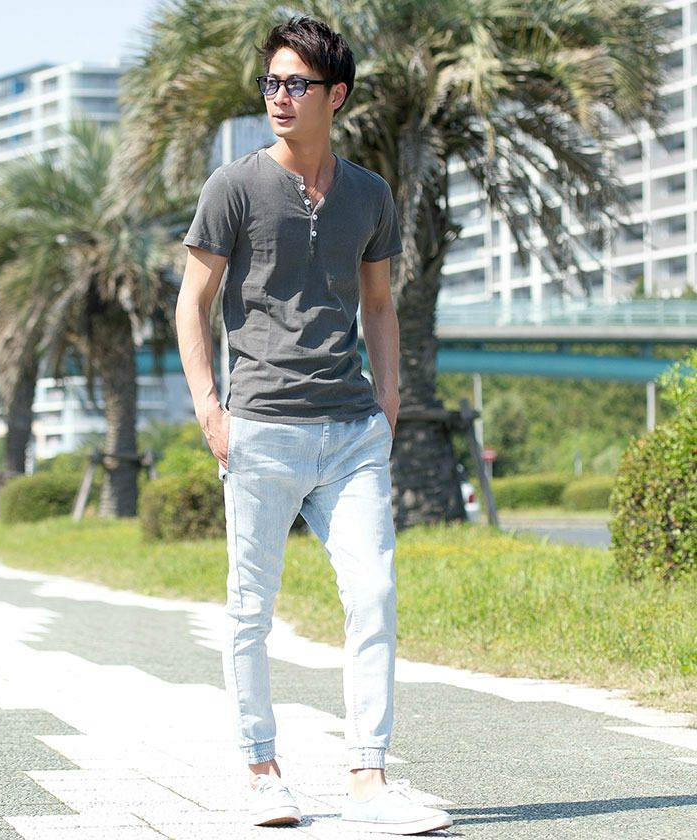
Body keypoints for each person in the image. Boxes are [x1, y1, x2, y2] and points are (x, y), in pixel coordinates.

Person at [175, 16, 453, 836]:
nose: (280, 97)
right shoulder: (233, 187)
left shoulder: (370, 194)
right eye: (272, 82)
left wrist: (388, 401)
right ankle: (264, 774)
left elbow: (379, 303)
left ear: (337, 95)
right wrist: (210, 409)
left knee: (374, 595)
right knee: (250, 608)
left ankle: (368, 778)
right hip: (260, 428)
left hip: (352, 432)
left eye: (298, 83)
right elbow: (192, 303)